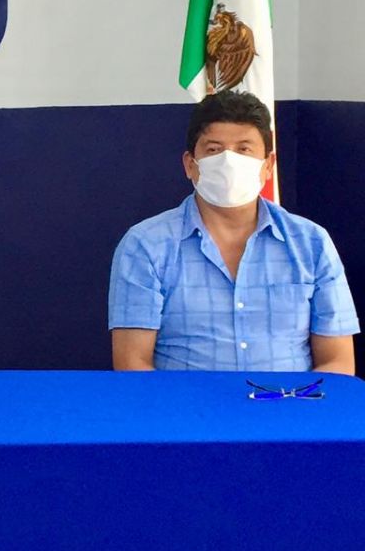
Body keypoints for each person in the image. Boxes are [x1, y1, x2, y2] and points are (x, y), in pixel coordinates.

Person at [109, 91, 358, 373]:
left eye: (243, 149)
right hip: (183, 402)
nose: (228, 162)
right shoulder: (145, 245)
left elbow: (337, 363)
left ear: (268, 166)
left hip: (289, 401)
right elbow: (133, 365)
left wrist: (293, 402)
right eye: (214, 150)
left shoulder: (311, 243)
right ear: (190, 165)